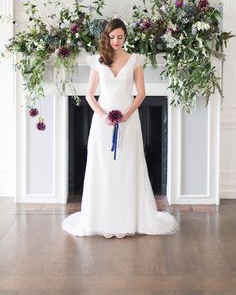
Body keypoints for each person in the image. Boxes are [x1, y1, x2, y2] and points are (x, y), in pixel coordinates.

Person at [62, 18, 178, 238]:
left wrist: (127, 113)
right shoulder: (98, 61)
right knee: (103, 167)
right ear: (107, 36)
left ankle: (127, 220)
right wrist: (104, 115)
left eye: (120, 37)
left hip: (128, 119)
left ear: (125, 37)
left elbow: (141, 93)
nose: (116, 41)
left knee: (127, 166)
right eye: (112, 37)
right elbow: (89, 94)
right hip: (102, 121)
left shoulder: (135, 60)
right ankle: (103, 220)